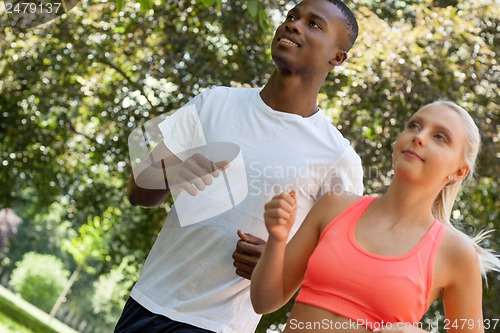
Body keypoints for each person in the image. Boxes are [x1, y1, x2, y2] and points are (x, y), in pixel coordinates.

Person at [115, 0, 363, 332]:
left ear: (337, 56)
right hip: (147, 303)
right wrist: (173, 173)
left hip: (220, 326)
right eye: (292, 17)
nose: (293, 25)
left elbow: (338, 268)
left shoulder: (337, 158)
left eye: (314, 24)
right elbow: (138, 192)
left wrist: (281, 263)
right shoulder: (214, 102)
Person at [251, 100, 500, 333]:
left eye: (439, 137)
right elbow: (264, 302)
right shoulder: (334, 205)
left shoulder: (456, 254)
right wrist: (277, 238)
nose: (419, 137)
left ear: (459, 171)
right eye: (414, 126)